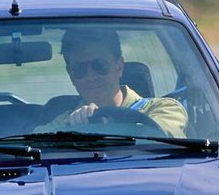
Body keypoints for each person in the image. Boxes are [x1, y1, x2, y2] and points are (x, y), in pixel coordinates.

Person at [42, 28, 187, 137]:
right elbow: (34, 140)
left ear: (119, 66)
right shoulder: (65, 121)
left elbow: (167, 135)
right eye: (80, 69)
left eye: (100, 65)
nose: (91, 76)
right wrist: (70, 129)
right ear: (71, 75)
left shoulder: (165, 108)